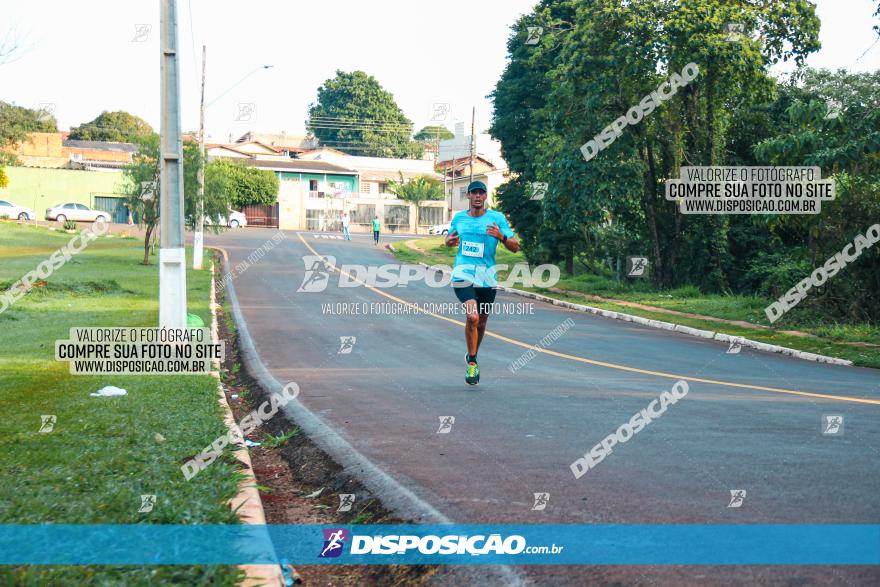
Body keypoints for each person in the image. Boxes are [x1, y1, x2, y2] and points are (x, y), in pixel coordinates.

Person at [445, 181, 519, 385]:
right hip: (462, 275)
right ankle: (472, 365)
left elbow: (515, 247)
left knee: (482, 322)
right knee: (473, 316)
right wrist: (449, 242)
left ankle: (472, 356)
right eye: (473, 193)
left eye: (481, 193)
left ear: (486, 196)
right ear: (468, 196)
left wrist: (501, 236)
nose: (477, 196)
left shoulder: (496, 218)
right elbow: (449, 239)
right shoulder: (459, 218)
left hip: (487, 278)